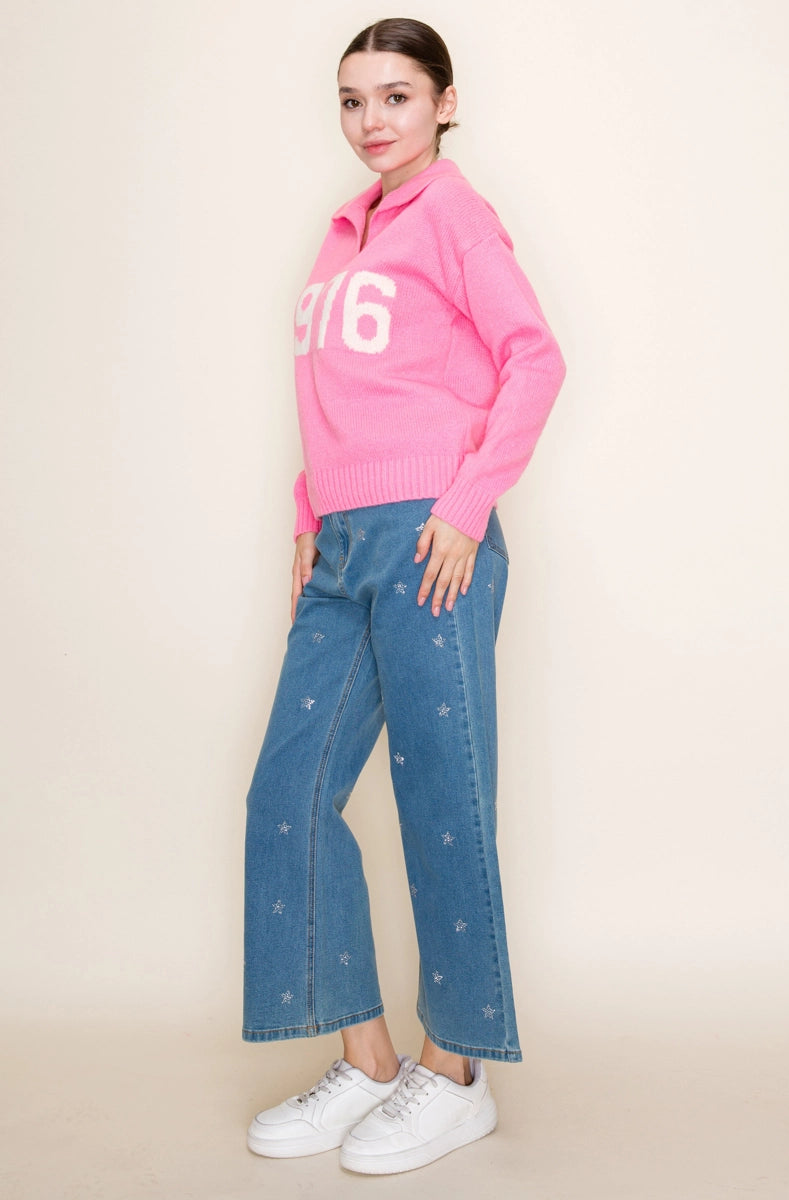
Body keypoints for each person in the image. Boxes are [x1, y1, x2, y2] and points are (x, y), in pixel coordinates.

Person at [242, 17, 565, 1176]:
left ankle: (456, 1075)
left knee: (440, 801)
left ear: (442, 102)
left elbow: (534, 357)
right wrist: (306, 513)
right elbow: (336, 393)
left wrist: (468, 505)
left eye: (394, 95)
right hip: (341, 546)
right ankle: (370, 1063)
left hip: (433, 540)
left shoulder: (454, 215)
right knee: (286, 796)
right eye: (352, 99)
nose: (370, 119)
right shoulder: (344, 235)